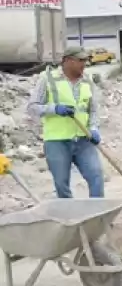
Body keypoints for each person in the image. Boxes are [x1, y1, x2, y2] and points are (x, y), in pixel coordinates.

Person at [26, 47, 104, 199]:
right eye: (81, 60)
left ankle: (98, 216)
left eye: (85, 60)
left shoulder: (88, 81)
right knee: (62, 184)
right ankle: (69, 217)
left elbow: (93, 110)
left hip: (83, 140)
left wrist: (94, 129)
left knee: (96, 176)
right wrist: (54, 109)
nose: (84, 64)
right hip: (57, 141)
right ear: (68, 61)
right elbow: (32, 107)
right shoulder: (48, 79)